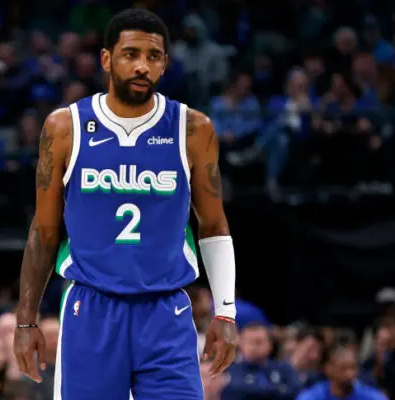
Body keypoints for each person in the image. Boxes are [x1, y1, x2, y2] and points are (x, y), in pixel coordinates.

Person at [13, 9, 238, 399]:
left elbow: (214, 226)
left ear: (164, 64)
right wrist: (25, 320)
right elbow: (45, 230)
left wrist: (225, 311)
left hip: (166, 310)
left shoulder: (193, 129)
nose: (141, 66)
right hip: (91, 307)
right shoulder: (65, 128)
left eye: (153, 57)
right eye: (130, 54)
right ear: (106, 59)